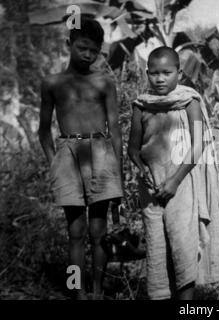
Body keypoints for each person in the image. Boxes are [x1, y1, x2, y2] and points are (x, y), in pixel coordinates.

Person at [128, 46, 219, 300]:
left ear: (179, 73)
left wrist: (175, 180)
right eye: (154, 73)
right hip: (151, 186)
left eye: (167, 73)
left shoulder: (189, 101)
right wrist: (143, 170)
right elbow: (133, 149)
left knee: (183, 247)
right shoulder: (141, 105)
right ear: (147, 73)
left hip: (181, 182)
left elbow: (198, 144)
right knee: (157, 248)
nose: (160, 79)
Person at [38, 17, 123, 300]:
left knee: (99, 230)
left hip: (101, 153)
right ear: (69, 45)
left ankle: (97, 290)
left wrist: (118, 173)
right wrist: (54, 162)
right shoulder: (52, 83)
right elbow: (44, 131)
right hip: (67, 155)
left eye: (94, 51)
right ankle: (79, 291)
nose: (88, 55)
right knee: (76, 231)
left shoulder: (104, 83)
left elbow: (116, 131)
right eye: (82, 47)